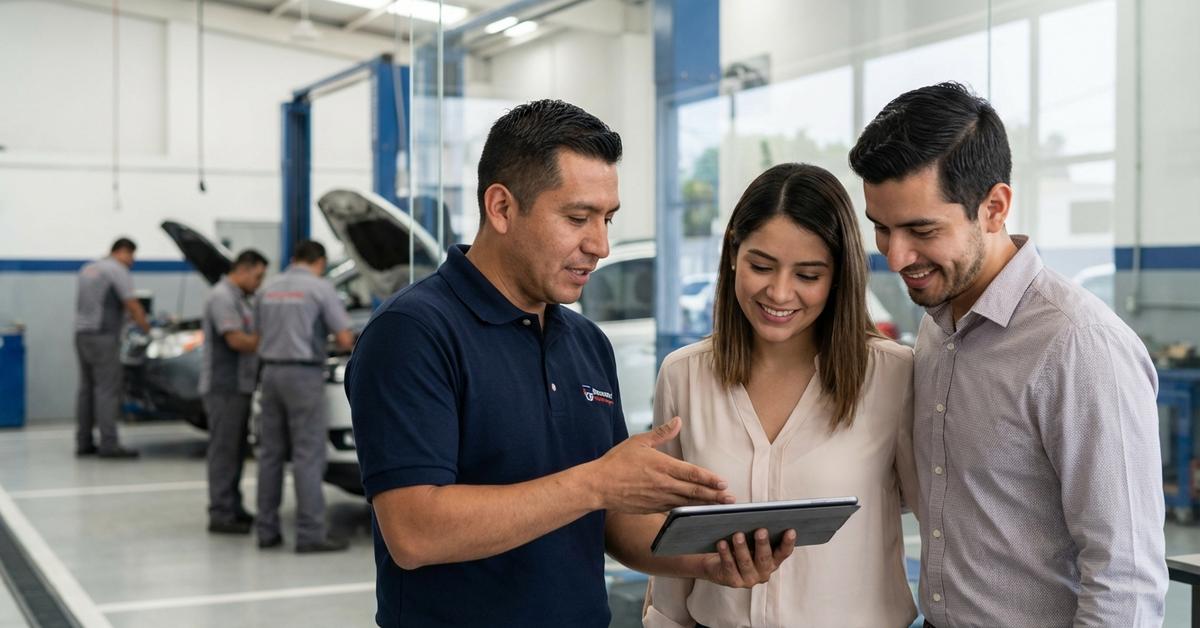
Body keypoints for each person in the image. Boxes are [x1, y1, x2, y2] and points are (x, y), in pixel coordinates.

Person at [346, 100, 792, 628]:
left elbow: (611, 523)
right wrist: (596, 483)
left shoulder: (586, 343)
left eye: (607, 219)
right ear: (501, 208)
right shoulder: (413, 332)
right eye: (578, 218)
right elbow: (414, 533)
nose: (600, 245)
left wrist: (709, 559)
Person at [849, 82, 1167, 627]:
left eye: (922, 230)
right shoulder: (937, 327)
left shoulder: (1079, 346)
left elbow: (1126, 580)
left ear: (994, 208)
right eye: (882, 228)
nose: (896, 257)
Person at [625, 163, 918, 628]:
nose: (779, 293)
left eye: (808, 275)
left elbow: (939, 521)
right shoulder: (683, 376)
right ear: (733, 254)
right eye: (761, 266)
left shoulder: (894, 376)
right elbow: (672, 541)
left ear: (838, 276)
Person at [255, 240, 353, 553]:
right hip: (303, 375)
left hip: (270, 374)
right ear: (319, 261)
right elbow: (345, 338)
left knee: (270, 455)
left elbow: (256, 333)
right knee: (307, 455)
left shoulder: (268, 288)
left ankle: (266, 530)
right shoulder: (320, 288)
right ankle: (310, 533)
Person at [200, 249, 268, 535]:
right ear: (243, 269)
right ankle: (220, 512)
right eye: (258, 276)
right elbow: (236, 340)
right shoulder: (222, 297)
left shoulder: (239, 298)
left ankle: (233, 506)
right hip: (223, 387)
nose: (259, 283)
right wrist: (270, 341)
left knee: (236, 451)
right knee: (224, 451)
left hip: (238, 387)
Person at [74, 237, 150, 459]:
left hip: (81, 334)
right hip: (103, 336)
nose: (132, 261)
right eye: (132, 256)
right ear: (123, 251)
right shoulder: (116, 269)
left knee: (87, 389)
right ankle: (109, 444)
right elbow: (132, 303)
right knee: (107, 390)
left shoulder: (88, 269)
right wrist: (147, 328)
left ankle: (84, 442)